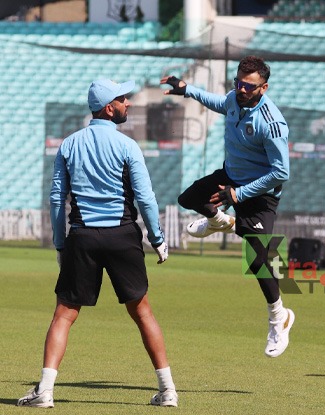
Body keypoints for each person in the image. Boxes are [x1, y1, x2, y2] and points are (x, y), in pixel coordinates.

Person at [17, 79, 178, 407]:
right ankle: (168, 391)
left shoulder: (69, 144)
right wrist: (158, 239)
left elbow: (56, 199)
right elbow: (146, 198)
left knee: (64, 313)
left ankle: (45, 392)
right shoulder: (128, 146)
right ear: (109, 108)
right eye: (122, 99)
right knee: (142, 311)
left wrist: (60, 245)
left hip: (83, 237)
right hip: (123, 237)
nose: (128, 103)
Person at [160, 55, 294, 358]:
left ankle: (280, 318)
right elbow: (219, 102)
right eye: (238, 83)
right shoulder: (235, 99)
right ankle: (221, 221)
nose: (242, 89)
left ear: (264, 87)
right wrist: (187, 89)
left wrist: (240, 194)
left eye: (249, 85)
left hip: (259, 193)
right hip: (230, 179)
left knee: (258, 260)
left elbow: (281, 172)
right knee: (189, 200)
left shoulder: (272, 124)